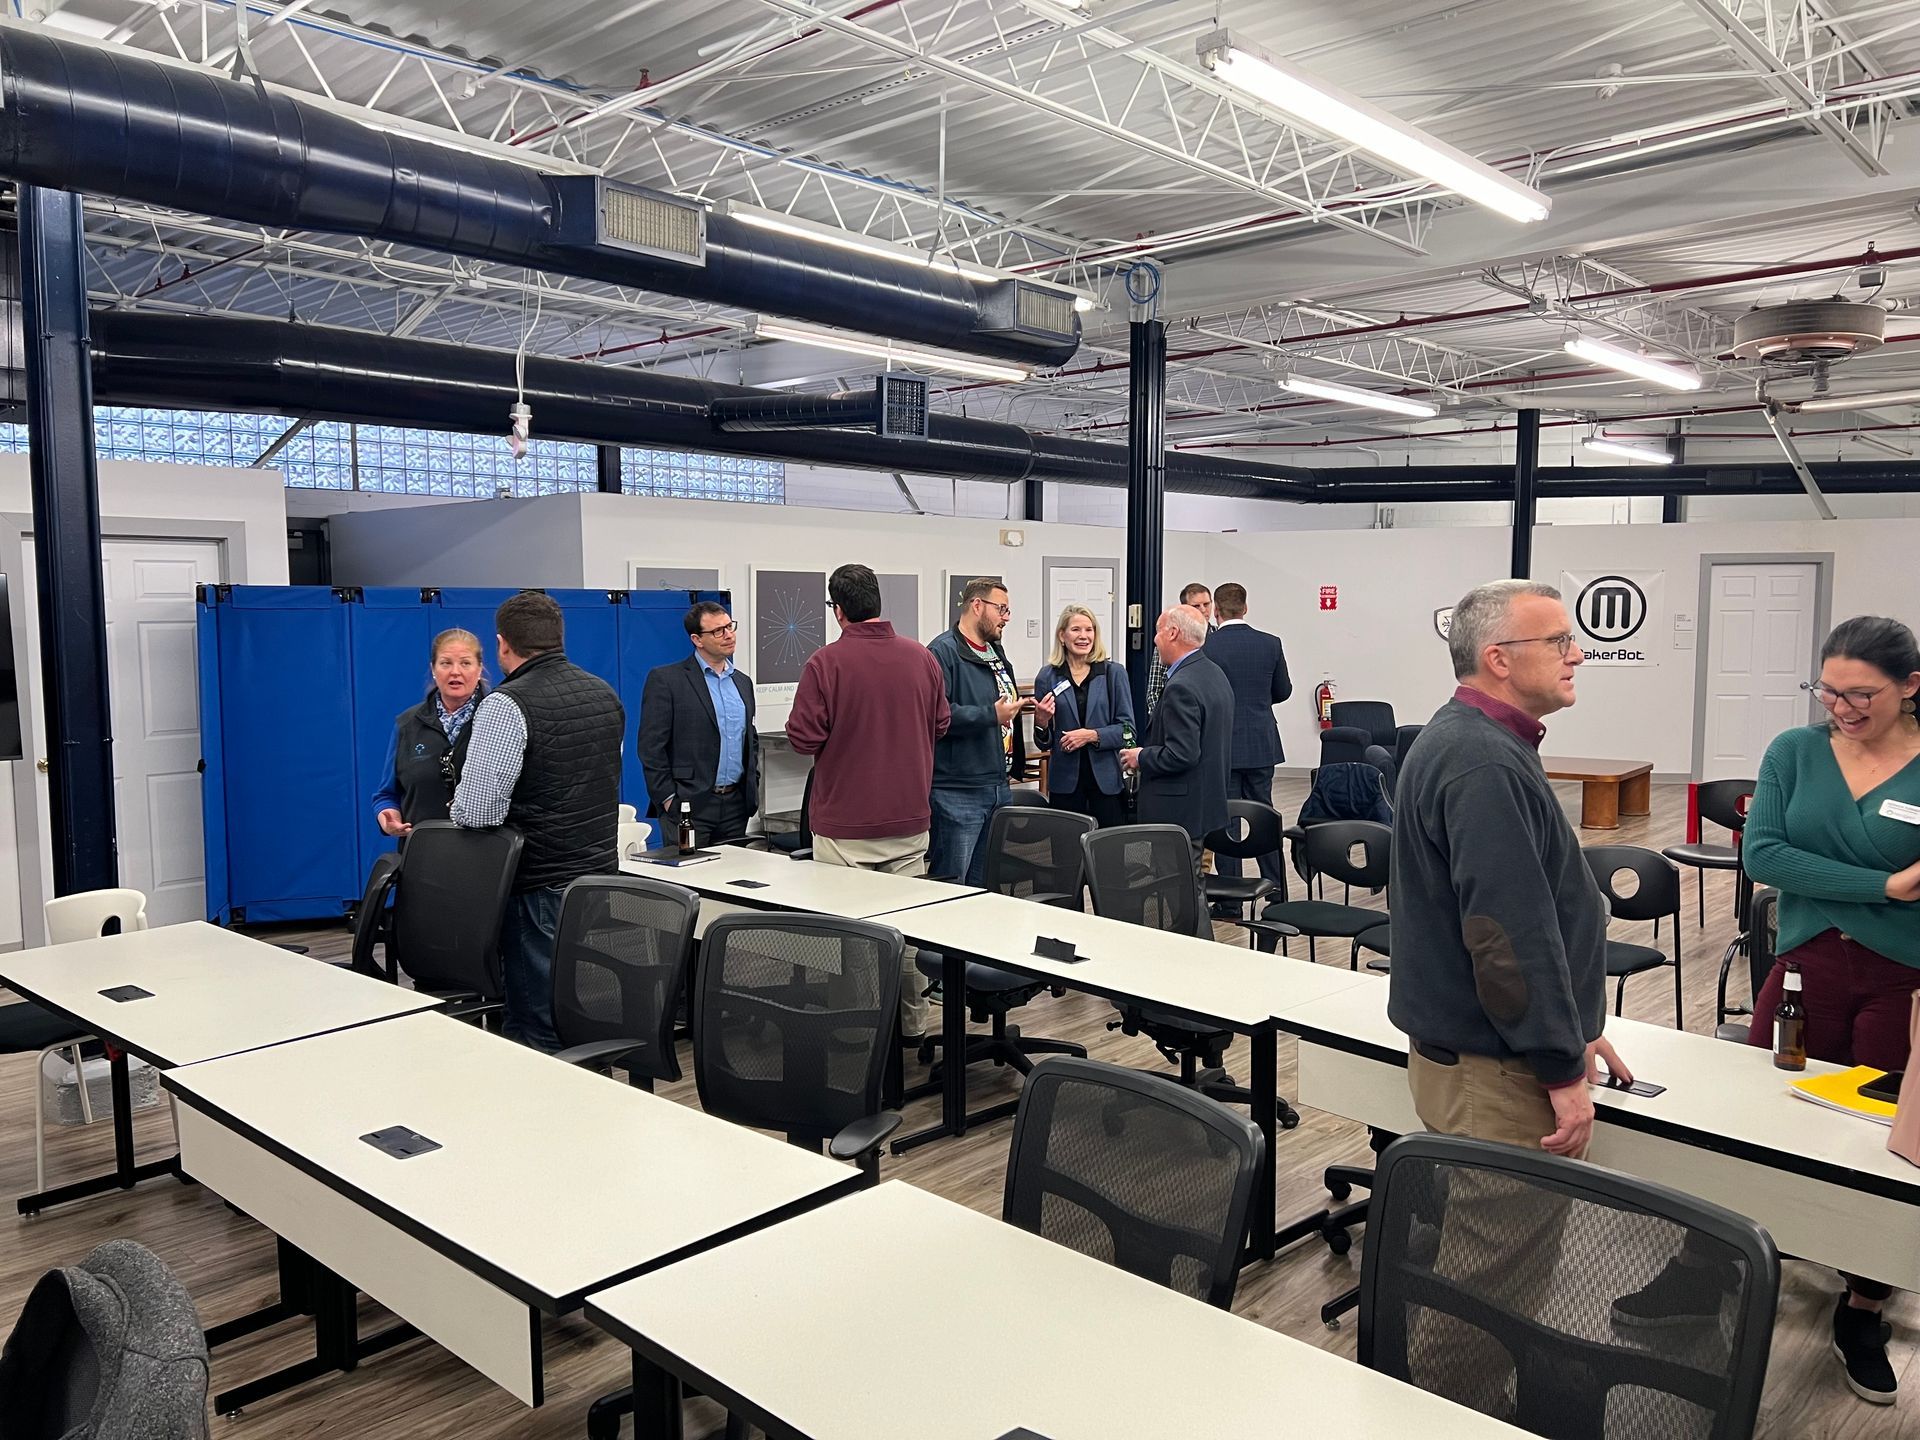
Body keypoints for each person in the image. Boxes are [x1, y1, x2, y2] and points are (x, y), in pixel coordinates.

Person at [1385, 579, 1630, 1419]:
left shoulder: (1473, 740)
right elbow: (1504, 935)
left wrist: (1577, 1027)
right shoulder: (1482, 760)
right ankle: (1446, 1420)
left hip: (1483, 1050)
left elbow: (1528, 917)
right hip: (1496, 1073)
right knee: (1488, 1288)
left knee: (1489, 1268)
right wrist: (1558, 1060)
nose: (1578, 653)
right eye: (1559, 641)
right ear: (1499, 658)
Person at [1728, 615, 1917, 1402]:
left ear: (1912, 687)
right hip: (1803, 961)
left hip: (1903, 980)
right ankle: (1722, 1258)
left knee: (1884, 1144)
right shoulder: (1794, 752)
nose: (1840, 707)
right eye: (1829, 689)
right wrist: (1889, 885)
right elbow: (1762, 854)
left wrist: (1824, 873)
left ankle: (1863, 1302)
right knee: (1758, 1112)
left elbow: (1788, 856)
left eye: (1860, 694)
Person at [451, 592, 624, 1052]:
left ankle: (547, 1116)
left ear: (503, 644)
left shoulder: (507, 705)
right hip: (598, 876)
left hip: (537, 885)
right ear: (558, 638)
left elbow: (480, 809)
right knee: (580, 1005)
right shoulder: (603, 694)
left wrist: (453, 808)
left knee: (536, 1020)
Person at [786, 564, 951, 1038]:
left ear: (837, 611)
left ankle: (857, 1034)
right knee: (907, 933)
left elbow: (803, 738)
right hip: (910, 820)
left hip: (845, 826)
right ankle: (912, 1025)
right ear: (878, 603)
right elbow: (941, 723)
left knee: (853, 939)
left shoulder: (825, 663)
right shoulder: (922, 658)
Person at [1120, 605, 1232, 879]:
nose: (1155, 640)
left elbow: (1182, 754)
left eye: (1158, 632)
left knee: (1181, 895)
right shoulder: (1213, 673)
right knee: (1191, 890)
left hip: (1178, 811)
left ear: (1173, 633)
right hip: (1202, 804)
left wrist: (1141, 757)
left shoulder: (1182, 686)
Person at [927, 578, 1025, 886]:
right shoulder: (943, 652)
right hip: (958, 790)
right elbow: (937, 715)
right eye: (1002, 609)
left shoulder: (995, 651)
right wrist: (990, 715)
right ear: (977, 606)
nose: (1006, 618)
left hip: (997, 784)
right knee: (953, 885)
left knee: (984, 887)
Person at [637, 601, 759, 847]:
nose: (728, 635)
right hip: (688, 804)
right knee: (691, 881)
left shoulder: (742, 683)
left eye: (729, 627)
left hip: (735, 804)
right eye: (718, 631)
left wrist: (753, 783)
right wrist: (668, 798)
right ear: (697, 639)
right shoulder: (667, 680)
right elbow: (651, 748)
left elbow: (750, 740)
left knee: (732, 881)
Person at [1203, 582, 1292, 901]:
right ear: (1245, 607)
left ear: (1216, 610)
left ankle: (1230, 899)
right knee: (1264, 815)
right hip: (1260, 743)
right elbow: (1283, 690)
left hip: (1221, 746)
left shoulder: (1207, 647)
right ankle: (1277, 889)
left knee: (1225, 820)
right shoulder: (1270, 643)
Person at [371, 628, 488, 840]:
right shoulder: (407, 724)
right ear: (433, 669)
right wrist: (388, 817)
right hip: (423, 854)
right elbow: (387, 795)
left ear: (479, 669)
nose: (455, 671)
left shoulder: (499, 720)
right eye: (445, 663)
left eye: (465, 663)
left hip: (486, 853)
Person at [1032, 604, 1135, 828]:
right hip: (1065, 784)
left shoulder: (1113, 674)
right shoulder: (1047, 676)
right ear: (1062, 635)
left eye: (1089, 630)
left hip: (1106, 784)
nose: (1083, 636)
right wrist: (1041, 722)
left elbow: (1128, 732)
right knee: (1065, 855)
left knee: (1106, 855)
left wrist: (1091, 735)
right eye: (1076, 630)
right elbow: (1044, 742)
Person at [1146, 582, 1213, 718]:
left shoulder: (1219, 637)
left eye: (1206, 604)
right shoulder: (1170, 642)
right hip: (1176, 713)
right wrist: (1161, 719)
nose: (1203, 610)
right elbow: (1154, 689)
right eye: (1196, 606)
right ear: (1185, 608)